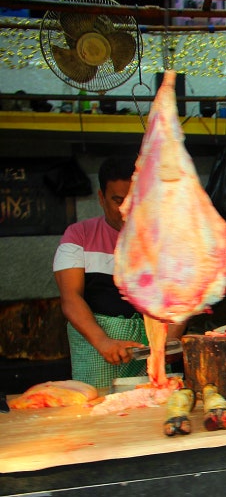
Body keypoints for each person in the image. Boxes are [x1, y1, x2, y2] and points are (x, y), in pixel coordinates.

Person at [53, 156, 184, 388]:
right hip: (98, 351)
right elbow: (70, 298)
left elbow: (182, 297)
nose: (126, 210)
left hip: (154, 353)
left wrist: (169, 340)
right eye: (117, 200)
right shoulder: (78, 236)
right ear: (101, 198)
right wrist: (103, 342)